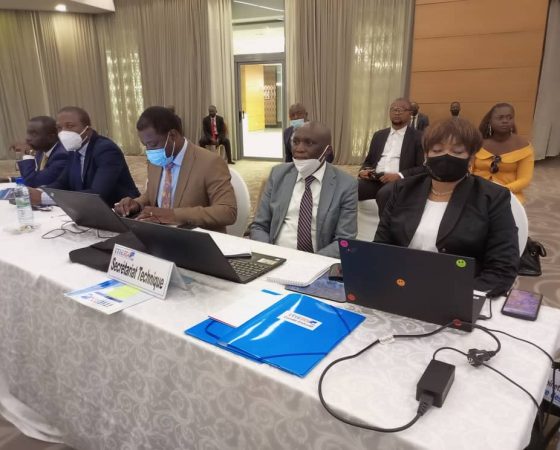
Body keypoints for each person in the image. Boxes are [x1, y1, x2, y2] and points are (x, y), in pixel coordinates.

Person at [375, 118, 519, 297]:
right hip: (401, 285)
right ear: (426, 156)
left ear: (470, 158)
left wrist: (459, 295)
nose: (446, 156)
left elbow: (503, 267)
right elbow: (381, 247)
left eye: (457, 151)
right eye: (437, 150)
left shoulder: (492, 197)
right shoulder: (403, 189)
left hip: (459, 292)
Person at [115, 106, 237, 232]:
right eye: (145, 145)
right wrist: (137, 203)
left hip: (194, 237)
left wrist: (174, 215)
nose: (149, 151)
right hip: (159, 233)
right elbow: (153, 194)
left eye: (153, 144)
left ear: (172, 135)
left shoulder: (210, 162)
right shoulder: (156, 160)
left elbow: (228, 211)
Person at [250, 121, 357, 258]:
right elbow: (259, 226)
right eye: (295, 142)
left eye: (309, 143)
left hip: (318, 260)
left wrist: (309, 262)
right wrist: (270, 255)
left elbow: (345, 240)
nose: (299, 149)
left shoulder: (346, 185)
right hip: (275, 256)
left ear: (327, 150)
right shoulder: (278, 174)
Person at [28, 106, 139, 206]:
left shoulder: (106, 149)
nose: (63, 132)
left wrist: (45, 198)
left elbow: (98, 194)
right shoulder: (74, 149)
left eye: (70, 126)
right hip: (89, 211)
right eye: (59, 128)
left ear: (87, 129)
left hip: (121, 211)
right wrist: (40, 191)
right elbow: (62, 182)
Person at [358, 98, 424, 201]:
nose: (396, 113)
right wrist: (363, 171)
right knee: (350, 187)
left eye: (401, 110)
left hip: (399, 182)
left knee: (385, 194)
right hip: (375, 179)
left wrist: (399, 175)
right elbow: (369, 161)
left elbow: (422, 167)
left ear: (410, 113)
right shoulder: (379, 135)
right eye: (393, 109)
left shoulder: (418, 137)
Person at [473, 103, 534, 203]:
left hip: (508, 193)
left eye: (509, 117)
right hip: (477, 191)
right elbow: (468, 170)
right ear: (490, 121)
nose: (505, 121)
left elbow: (524, 179)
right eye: (500, 118)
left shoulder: (523, 146)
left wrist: (501, 191)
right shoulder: (477, 143)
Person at [0, 116, 68, 187]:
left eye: (34, 134)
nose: (27, 138)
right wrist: (9, 179)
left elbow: (32, 182)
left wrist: (27, 153)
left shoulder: (61, 156)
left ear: (51, 137)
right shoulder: (41, 152)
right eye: (28, 133)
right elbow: (35, 176)